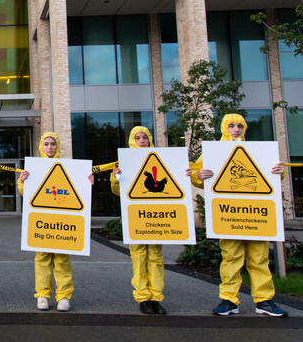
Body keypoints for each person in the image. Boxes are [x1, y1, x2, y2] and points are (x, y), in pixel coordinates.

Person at [189, 114, 287, 317]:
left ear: (245, 128)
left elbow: (271, 174)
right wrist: (200, 176)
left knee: (259, 259)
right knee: (231, 258)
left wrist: (280, 171)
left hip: (256, 213)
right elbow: (196, 173)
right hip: (228, 215)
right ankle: (228, 299)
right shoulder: (214, 152)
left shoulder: (257, 151)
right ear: (225, 127)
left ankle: (264, 300)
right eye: (231, 125)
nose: (236, 129)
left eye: (240, 126)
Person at [17, 132, 94, 312]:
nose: (49, 147)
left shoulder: (69, 168)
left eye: (53, 144)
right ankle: (42, 295)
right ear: (41, 147)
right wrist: (22, 182)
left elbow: (78, 191)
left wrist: (87, 182)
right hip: (43, 222)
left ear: (58, 146)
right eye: (46, 144)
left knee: (62, 260)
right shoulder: (34, 169)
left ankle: (64, 296)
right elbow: (26, 195)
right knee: (42, 259)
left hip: (62, 222)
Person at [109, 126, 167, 315]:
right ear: (132, 141)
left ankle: (156, 297)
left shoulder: (162, 160)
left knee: (156, 257)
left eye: (145, 137)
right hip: (136, 216)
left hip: (157, 217)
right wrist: (117, 178)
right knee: (139, 256)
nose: (142, 141)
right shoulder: (123, 163)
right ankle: (143, 297)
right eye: (138, 138)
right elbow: (117, 192)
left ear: (150, 139)